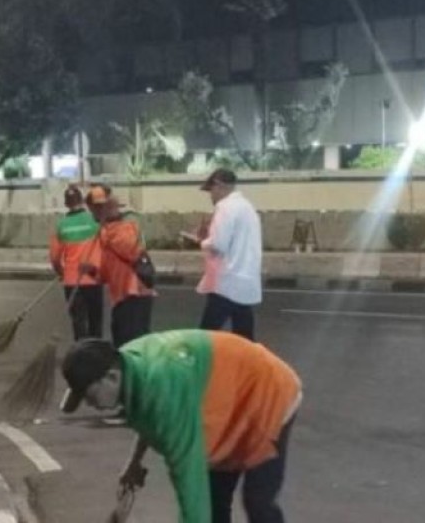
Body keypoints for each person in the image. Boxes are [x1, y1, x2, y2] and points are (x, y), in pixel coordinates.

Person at [60, 330, 302, 523]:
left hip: (267, 393)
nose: (88, 404)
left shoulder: (165, 394)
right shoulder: (126, 363)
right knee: (215, 500)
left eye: (89, 395)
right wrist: (134, 463)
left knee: (257, 502)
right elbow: (144, 414)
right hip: (225, 400)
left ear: (111, 377)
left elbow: (190, 488)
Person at [194, 169, 263, 341]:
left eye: (211, 190)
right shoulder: (248, 207)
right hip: (246, 282)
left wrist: (202, 241)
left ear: (218, 185)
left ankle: (201, 367)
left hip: (226, 283)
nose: (211, 196)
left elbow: (219, 244)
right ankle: (250, 367)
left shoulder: (225, 207)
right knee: (245, 339)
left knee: (205, 337)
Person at [88, 189, 155, 349]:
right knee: (121, 341)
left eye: (95, 209)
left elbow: (132, 251)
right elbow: (106, 270)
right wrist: (93, 272)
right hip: (121, 297)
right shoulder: (107, 232)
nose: (93, 214)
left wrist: (107, 229)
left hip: (135, 293)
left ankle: (137, 373)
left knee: (133, 345)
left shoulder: (125, 227)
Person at [48, 184, 102, 340]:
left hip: (71, 281)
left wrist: (61, 272)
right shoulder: (94, 221)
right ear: (82, 201)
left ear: (66, 204)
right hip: (93, 278)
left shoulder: (61, 226)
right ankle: (96, 353)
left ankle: (81, 356)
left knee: (78, 322)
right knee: (95, 321)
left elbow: (55, 257)